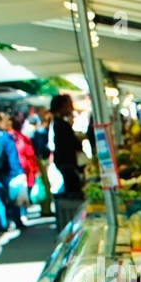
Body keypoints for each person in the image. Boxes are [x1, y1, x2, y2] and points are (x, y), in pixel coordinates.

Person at [50, 93, 84, 230]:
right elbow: (72, 144)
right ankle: (73, 225)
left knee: (72, 188)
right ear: (62, 106)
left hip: (64, 162)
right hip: (67, 162)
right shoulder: (60, 124)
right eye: (68, 104)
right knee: (73, 191)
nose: (71, 107)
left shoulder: (59, 123)